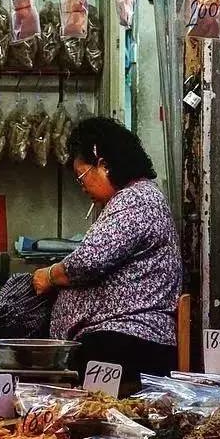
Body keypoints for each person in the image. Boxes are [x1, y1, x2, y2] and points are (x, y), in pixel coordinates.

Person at [31, 116, 182, 391]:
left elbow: (89, 261)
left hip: (127, 343)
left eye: (81, 176)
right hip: (116, 342)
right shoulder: (131, 199)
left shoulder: (136, 199)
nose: (82, 186)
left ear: (103, 164)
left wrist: (51, 275)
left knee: (98, 421)